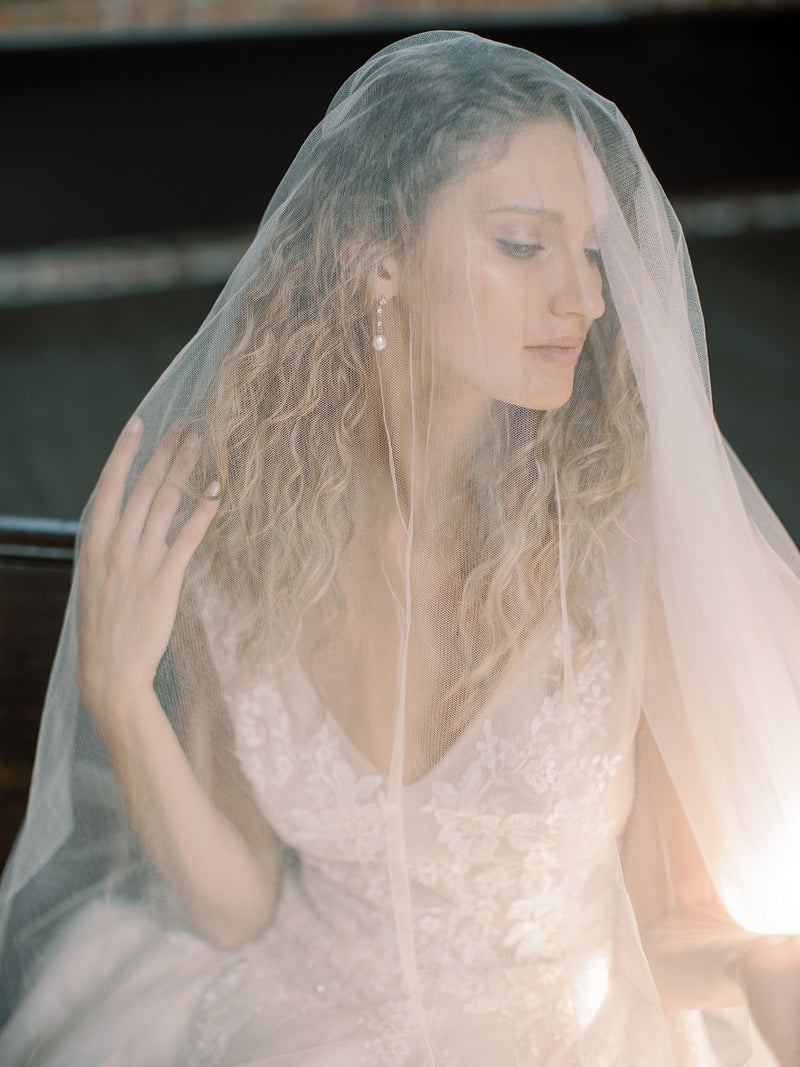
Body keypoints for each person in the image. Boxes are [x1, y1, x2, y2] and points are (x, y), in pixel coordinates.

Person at [1, 29, 799, 1066]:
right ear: (376, 259)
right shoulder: (246, 538)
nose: (586, 298)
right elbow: (237, 901)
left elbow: (671, 918)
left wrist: (757, 967)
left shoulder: (611, 538)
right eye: (523, 244)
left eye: (591, 251)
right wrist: (118, 693)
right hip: (296, 1007)